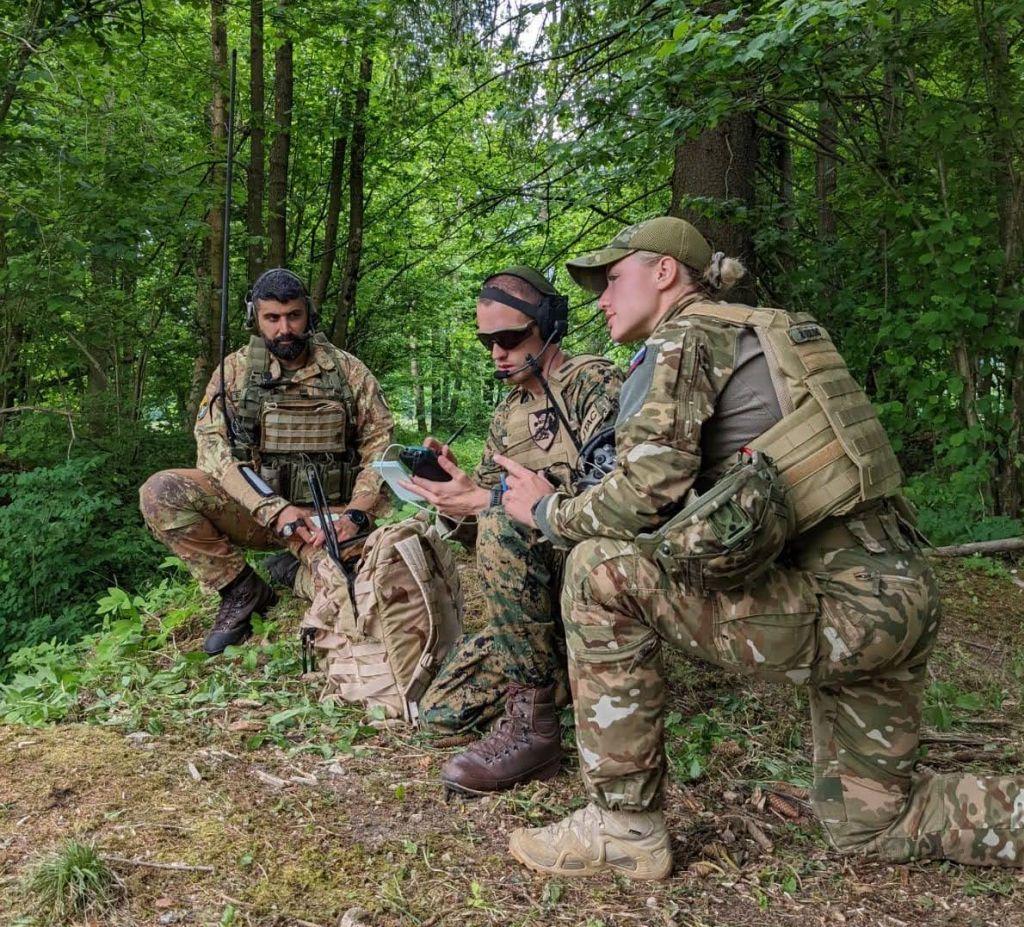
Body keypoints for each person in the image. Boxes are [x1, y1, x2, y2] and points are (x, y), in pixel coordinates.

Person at [496, 216, 1024, 879]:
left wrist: (544, 509)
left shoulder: (684, 340)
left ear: (665, 273)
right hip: (899, 592)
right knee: (871, 821)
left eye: (612, 277)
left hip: (845, 608)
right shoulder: (764, 331)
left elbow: (641, 498)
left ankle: (623, 827)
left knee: (597, 571)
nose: (601, 298)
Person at [401, 266, 622, 796]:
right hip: (533, 602)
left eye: (510, 338)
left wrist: (491, 503)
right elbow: (487, 538)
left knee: (502, 515)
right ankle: (556, 671)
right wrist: (455, 496)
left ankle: (534, 728)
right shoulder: (507, 415)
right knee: (440, 711)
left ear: (548, 325)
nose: (498, 353)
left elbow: (622, 498)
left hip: (594, 574)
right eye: (488, 342)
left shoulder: (595, 384)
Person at [139, 268, 394, 654]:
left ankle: (293, 571)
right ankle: (242, 589)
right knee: (162, 492)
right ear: (255, 319)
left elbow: (380, 449)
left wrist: (356, 513)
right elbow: (213, 453)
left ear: (308, 313)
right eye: (272, 318)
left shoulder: (348, 372)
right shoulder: (234, 373)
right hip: (258, 513)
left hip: (331, 518)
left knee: (354, 590)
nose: (284, 329)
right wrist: (273, 508)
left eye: (293, 316)